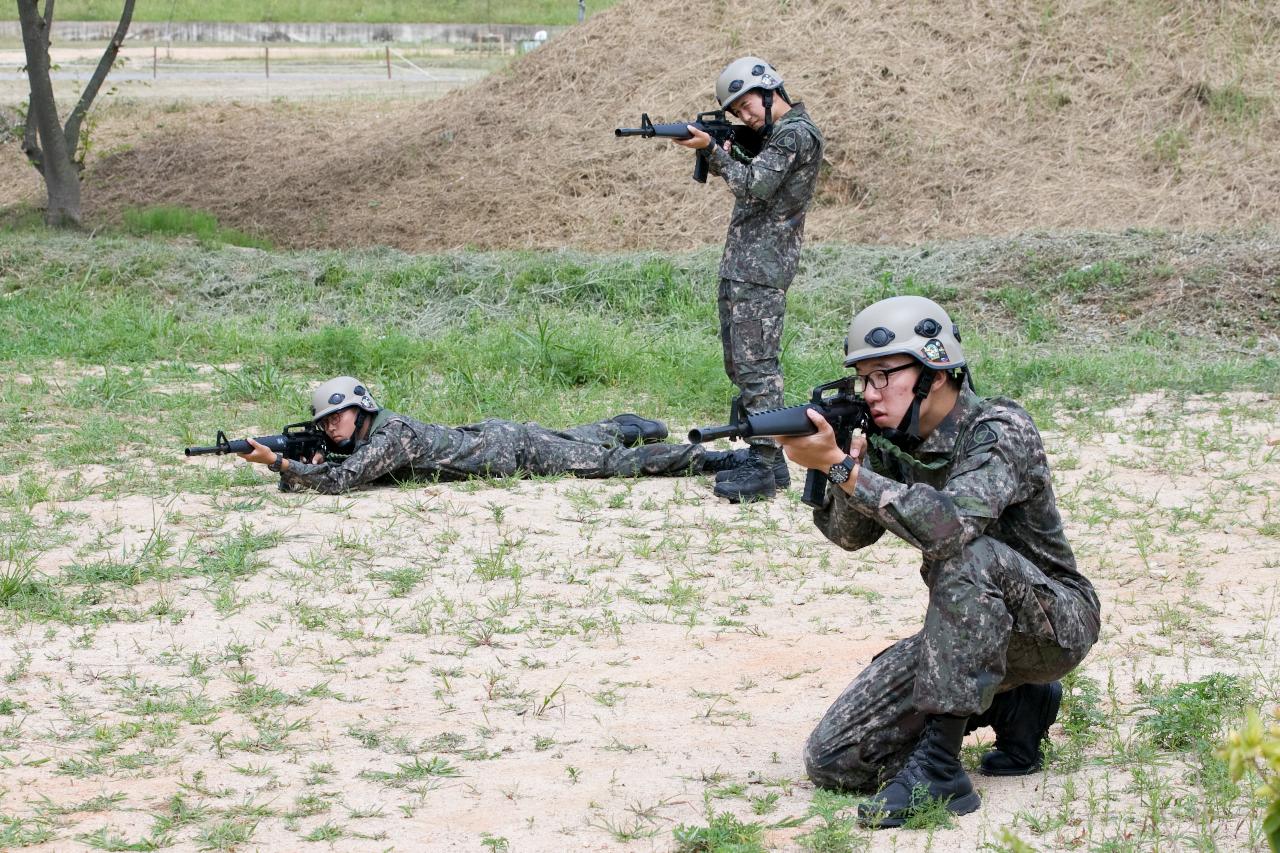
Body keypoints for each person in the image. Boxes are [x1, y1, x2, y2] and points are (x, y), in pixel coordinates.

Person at [773, 296, 1101, 827]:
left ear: (937, 371)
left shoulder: (999, 430)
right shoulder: (890, 438)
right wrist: (839, 469)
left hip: (1054, 621)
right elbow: (849, 538)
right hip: (969, 631)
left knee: (964, 553)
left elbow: (949, 527)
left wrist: (843, 470)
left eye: (884, 376)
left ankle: (941, 771)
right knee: (835, 760)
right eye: (863, 380)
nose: (871, 393)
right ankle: (1014, 702)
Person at [673, 56, 824, 502]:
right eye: (736, 113)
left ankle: (762, 464)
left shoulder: (797, 134)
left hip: (763, 268)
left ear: (769, 91)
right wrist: (721, 147)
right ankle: (770, 460)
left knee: (758, 367)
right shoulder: (775, 136)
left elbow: (755, 184)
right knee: (739, 363)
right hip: (744, 264)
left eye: (744, 107)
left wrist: (712, 151)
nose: (743, 116)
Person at [237, 376, 737, 495]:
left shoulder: (392, 437)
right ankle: (627, 426)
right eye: (324, 424)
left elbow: (344, 482)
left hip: (511, 451)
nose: (330, 429)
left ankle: (710, 458)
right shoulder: (377, 434)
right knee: (577, 440)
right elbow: (349, 468)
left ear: (360, 410)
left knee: (608, 465)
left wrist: (281, 465)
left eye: (335, 419)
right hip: (496, 436)